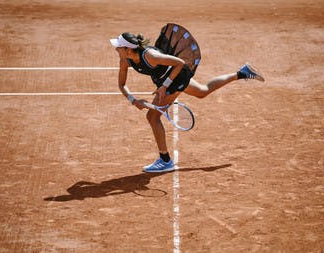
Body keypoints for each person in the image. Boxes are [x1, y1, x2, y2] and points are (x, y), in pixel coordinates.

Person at [110, 24, 264, 173]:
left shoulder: (151, 56)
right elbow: (122, 84)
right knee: (203, 91)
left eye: (118, 47)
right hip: (166, 79)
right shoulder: (125, 59)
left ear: (128, 49)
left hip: (174, 79)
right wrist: (133, 100)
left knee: (152, 117)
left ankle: (165, 160)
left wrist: (164, 86)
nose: (116, 49)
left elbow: (179, 63)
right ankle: (242, 73)